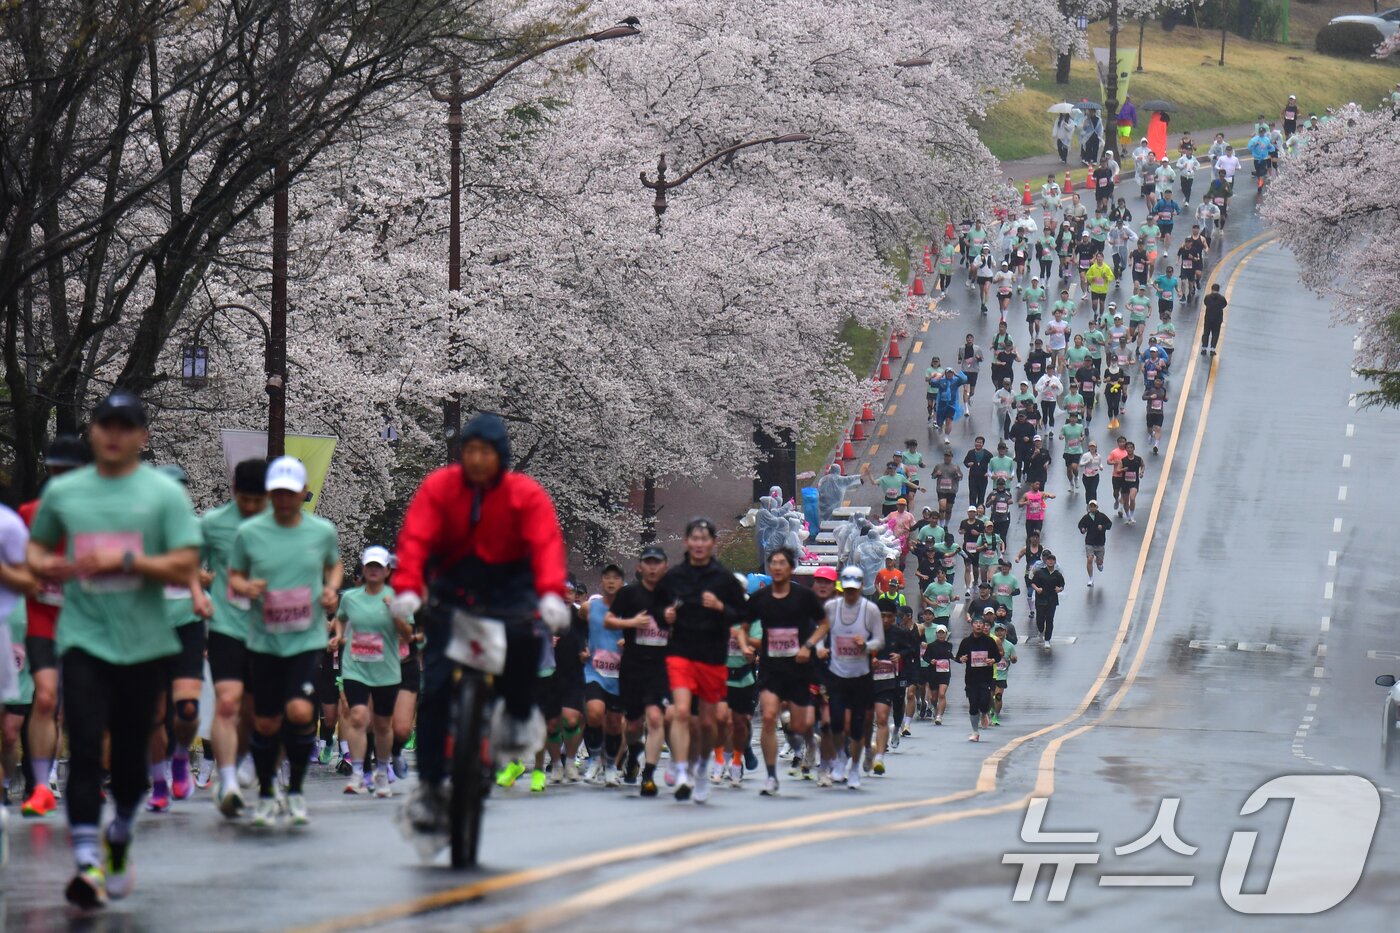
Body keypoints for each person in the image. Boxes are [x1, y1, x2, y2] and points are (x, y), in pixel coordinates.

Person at [26, 391, 202, 908]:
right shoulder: (65, 493)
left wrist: (127, 560)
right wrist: (46, 564)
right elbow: (37, 545)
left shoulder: (163, 495)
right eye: (106, 425)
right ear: (93, 431)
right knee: (84, 747)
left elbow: (185, 562)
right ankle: (86, 862)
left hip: (144, 643)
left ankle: (120, 832)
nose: (114, 435)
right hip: (83, 638)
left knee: (127, 759)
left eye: (126, 427)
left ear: (142, 437)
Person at [393, 412, 571, 836]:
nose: (476, 460)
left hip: (510, 591)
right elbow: (416, 539)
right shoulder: (439, 487)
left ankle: (517, 715)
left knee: (525, 642)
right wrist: (409, 587)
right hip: (452, 592)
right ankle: (431, 786)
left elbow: (545, 545)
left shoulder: (525, 494)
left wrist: (550, 593)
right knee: (435, 692)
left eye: (485, 452)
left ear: (501, 456)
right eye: (470, 451)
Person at [227, 456, 342, 828]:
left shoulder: (321, 531)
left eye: (290, 493)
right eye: (277, 492)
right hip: (264, 640)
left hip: (306, 638)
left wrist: (331, 589)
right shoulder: (250, 533)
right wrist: (246, 587)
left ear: (303, 492)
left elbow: (334, 565)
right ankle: (265, 792)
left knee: (300, 711)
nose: (284, 499)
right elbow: (234, 575)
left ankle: (295, 790)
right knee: (265, 722)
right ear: (269, 493)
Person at [17, 434, 90, 819]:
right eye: (55, 471)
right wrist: (30, 577)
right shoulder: (29, 514)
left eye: (69, 473)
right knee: (45, 698)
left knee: (78, 706)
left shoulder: (98, 516)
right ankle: (41, 787)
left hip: (84, 621)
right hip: (42, 617)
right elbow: (13, 565)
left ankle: (85, 778)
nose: (61, 479)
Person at [655, 518, 747, 803]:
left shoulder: (724, 579)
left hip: (712, 656)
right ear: (686, 542)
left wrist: (720, 607)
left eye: (704, 539)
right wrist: (665, 616)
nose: (698, 544)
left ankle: (702, 767)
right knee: (682, 712)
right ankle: (682, 771)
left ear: (713, 543)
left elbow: (742, 614)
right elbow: (657, 607)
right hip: (681, 652)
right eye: (694, 538)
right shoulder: (674, 577)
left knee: (707, 724)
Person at [744, 548, 827, 796]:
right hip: (771, 667)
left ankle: (810, 744)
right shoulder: (760, 598)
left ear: (791, 568)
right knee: (769, 716)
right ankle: (771, 776)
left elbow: (824, 624)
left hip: (799, 667)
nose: (778, 567)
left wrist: (808, 646)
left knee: (801, 724)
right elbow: (742, 626)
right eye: (774, 563)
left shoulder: (804, 597)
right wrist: (750, 645)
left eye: (782, 563)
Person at [332, 546, 411, 797]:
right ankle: (357, 774)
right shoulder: (350, 598)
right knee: (357, 716)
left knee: (383, 724)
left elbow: (408, 634)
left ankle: (382, 772)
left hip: (385, 670)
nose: (374, 570)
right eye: (370, 566)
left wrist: (394, 614)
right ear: (364, 569)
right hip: (356, 667)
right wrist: (339, 636)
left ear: (387, 571)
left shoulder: (397, 598)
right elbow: (341, 618)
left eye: (379, 566)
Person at [607, 545, 671, 796]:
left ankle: (649, 775)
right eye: (648, 562)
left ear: (665, 567)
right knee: (633, 725)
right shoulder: (629, 594)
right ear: (640, 567)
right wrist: (631, 622)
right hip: (633, 665)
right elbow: (609, 620)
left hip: (660, 666)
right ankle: (633, 751)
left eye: (657, 563)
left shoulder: (671, 595)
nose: (653, 568)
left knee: (655, 718)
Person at [816, 566, 883, 788]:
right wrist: (819, 648)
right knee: (836, 723)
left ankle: (854, 768)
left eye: (854, 589)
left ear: (862, 587)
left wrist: (866, 645)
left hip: (860, 675)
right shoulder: (831, 607)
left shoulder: (870, 610)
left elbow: (879, 641)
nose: (850, 593)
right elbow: (820, 633)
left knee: (856, 727)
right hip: (837, 674)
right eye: (847, 589)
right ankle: (840, 758)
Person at [955, 615, 1001, 742]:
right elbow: (958, 657)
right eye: (976, 623)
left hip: (986, 677)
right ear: (972, 626)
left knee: (985, 702)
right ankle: (975, 732)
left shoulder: (989, 641)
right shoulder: (966, 642)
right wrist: (961, 659)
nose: (979, 625)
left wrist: (993, 660)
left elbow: (997, 656)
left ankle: (984, 713)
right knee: (973, 704)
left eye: (981, 623)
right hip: (971, 678)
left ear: (984, 626)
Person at [1030, 551, 1066, 647]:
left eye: (1052, 560)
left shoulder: (1057, 574)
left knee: (1050, 619)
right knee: (1040, 619)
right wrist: (1037, 589)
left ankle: (1047, 639)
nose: (1050, 562)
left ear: (1055, 562)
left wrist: (1059, 589)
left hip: (1052, 600)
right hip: (1040, 599)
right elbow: (1032, 583)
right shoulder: (1040, 572)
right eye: (1049, 560)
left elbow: (1062, 585)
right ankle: (1041, 630)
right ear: (1046, 561)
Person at [1077, 501, 1113, 587]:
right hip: (1089, 542)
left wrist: (1103, 527)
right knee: (1090, 559)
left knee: (1099, 562)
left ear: (1097, 507)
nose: (1092, 508)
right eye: (1091, 506)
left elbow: (1109, 524)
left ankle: (1099, 564)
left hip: (1100, 543)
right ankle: (1091, 579)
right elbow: (1080, 525)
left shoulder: (1102, 516)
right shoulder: (1086, 517)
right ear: (1089, 507)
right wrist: (1082, 529)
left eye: (1094, 506)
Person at [1202, 283, 1227, 355]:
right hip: (1217, 319)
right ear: (1218, 290)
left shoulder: (1207, 297)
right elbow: (1224, 304)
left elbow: (1205, 303)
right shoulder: (1222, 298)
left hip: (1208, 318)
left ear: (1212, 289)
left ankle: (1204, 348)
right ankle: (1212, 349)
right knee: (1215, 333)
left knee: (1206, 332)